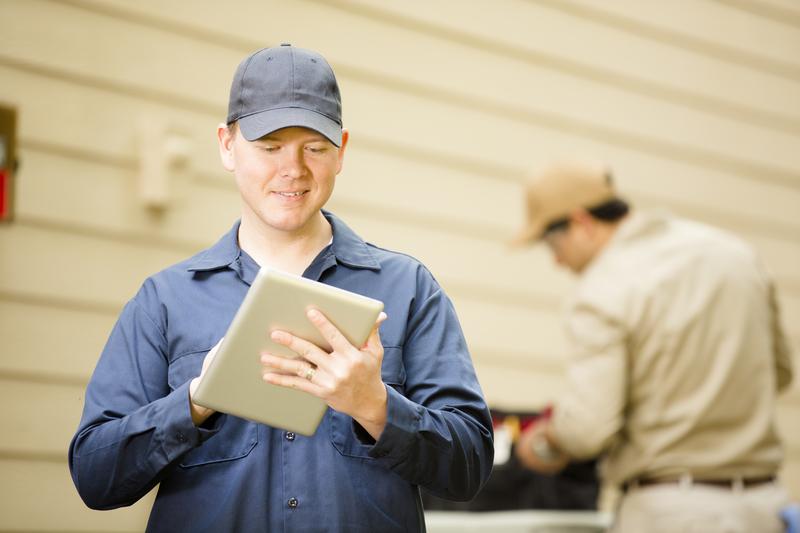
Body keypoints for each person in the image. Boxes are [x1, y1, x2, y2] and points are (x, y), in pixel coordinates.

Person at [68, 44, 493, 532]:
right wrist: (195, 400)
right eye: (270, 147)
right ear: (227, 145)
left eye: (314, 147)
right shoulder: (164, 301)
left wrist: (374, 405)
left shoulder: (409, 289)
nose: (293, 169)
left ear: (342, 152)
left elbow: (470, 466)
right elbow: (95, 477)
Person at [511, 161, 794, 532]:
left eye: (552, 241)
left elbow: (587, 430)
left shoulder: (604, 287)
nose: (556, 260)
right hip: (764, 506)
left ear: (581, 222)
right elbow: (781, 373)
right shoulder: (736, 255)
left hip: (672, 511)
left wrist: (544, 442)